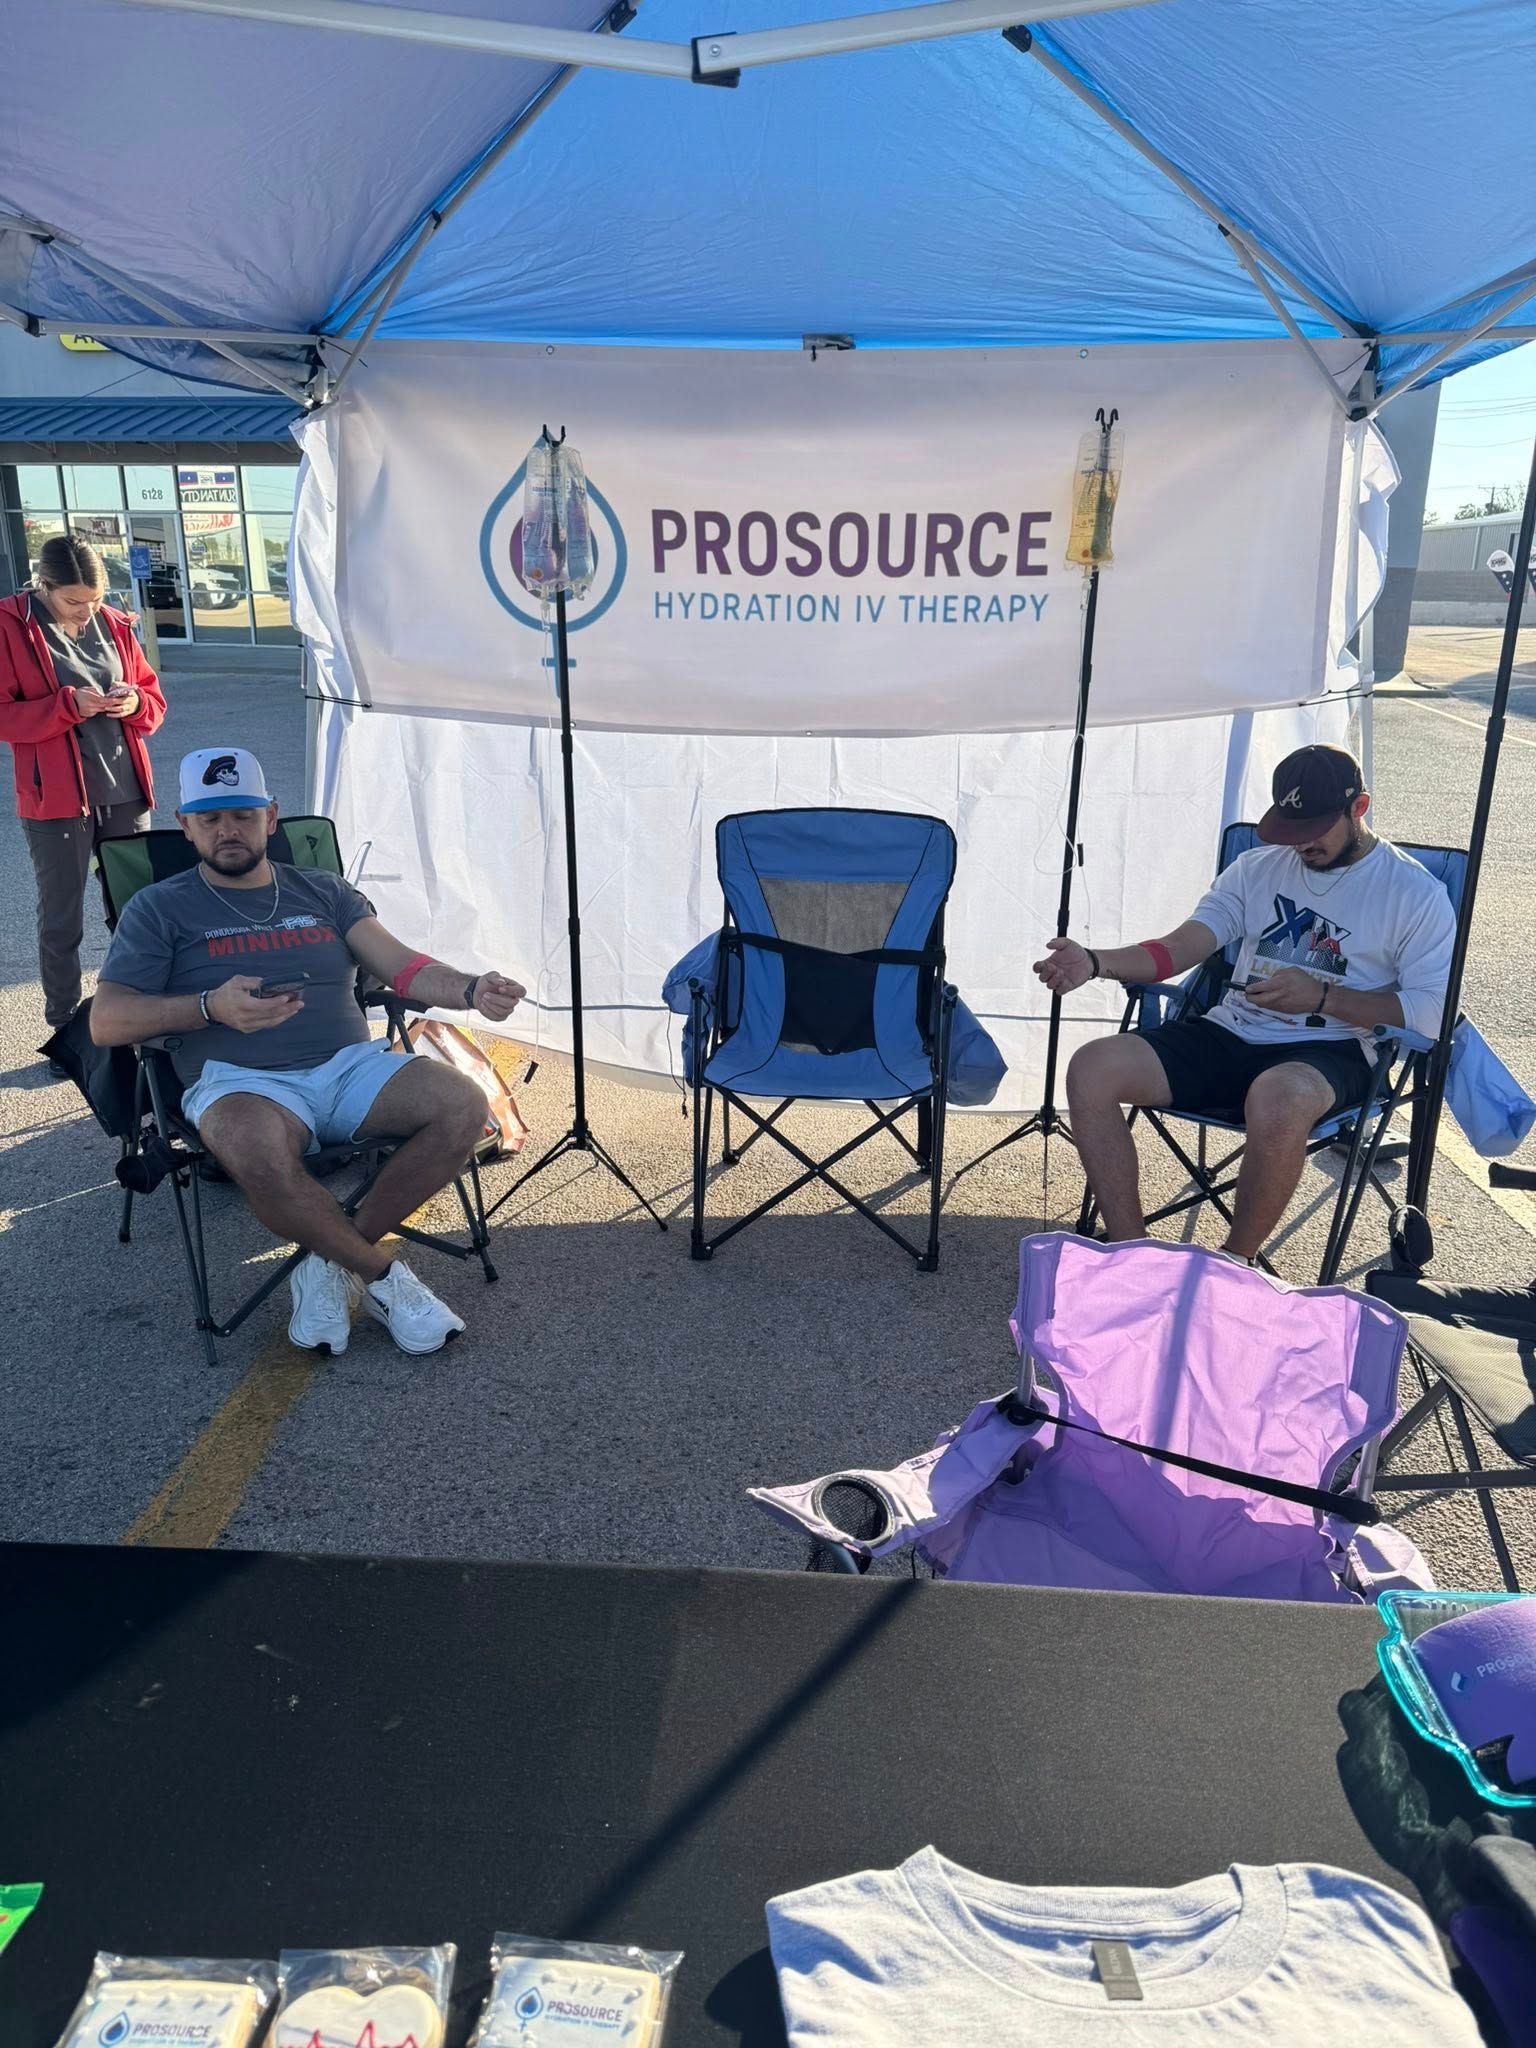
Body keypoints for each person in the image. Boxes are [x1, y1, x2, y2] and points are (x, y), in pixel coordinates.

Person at [92, 747, 528, 1357]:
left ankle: (330, 1264)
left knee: (463, 1104)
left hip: (348, 1067)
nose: (228, 831)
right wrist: (207, 1008)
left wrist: (470, 989)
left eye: (242, 815)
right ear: (185, 825)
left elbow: (400, 966)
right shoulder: (158, 908)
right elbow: (108, 1020)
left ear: (271, 817)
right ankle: (382, 1275)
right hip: (239, 1080)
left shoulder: (323, 890)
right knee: (253, 1150)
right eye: (210, 818)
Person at [1036, 744, 1456, 1263]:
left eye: (1316, 827)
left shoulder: (1414, 893)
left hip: (1334, 1046)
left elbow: (1432, 1012)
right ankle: (1131, 1254)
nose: (1301, 843)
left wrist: (1324, 996)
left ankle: (1234, 1264)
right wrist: (1096, 961)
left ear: (1359, 808)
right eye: (1291, 826)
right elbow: (1181, 947)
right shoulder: (1256, 868)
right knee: (1092, 1067)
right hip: (1232, 1030)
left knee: (1280, 1096)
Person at [0, 535, 166, 1067]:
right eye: (75, 602)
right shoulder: (8, 625)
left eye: (95, 598)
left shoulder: (115, 623)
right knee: (62, 916)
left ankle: (141, 1018)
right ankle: (67, 1032)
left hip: (124, 790)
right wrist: (68, 705)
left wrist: (137, 701)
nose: (88, 610)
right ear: (42, 586)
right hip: (55, 800)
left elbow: (154, 699)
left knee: (138, 910)